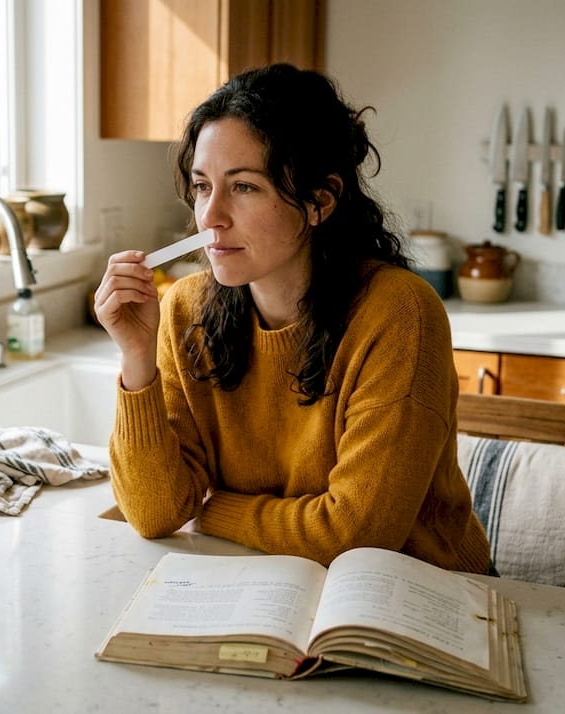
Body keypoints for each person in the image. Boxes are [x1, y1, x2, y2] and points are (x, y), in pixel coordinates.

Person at [93, 64, 491, 574]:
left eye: (243, 188)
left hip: (416, 597)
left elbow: (356, 536)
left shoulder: (399, 314)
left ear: (319, 201)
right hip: (263, 579)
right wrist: (136, 357)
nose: (210, 216)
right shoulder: (184, 310)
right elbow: (154, 514)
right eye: (201, 186)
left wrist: (212, 508)